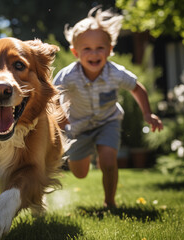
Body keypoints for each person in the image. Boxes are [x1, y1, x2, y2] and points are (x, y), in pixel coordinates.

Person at [53, 7, 163, 208]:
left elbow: (137, 89)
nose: (94, 53)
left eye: (100, 48)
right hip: (77, 126)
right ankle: (89, 154)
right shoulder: (68, 76)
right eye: (86, 49)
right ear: (76, 52)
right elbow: (52, 95)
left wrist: (148, 113)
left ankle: (109, 202)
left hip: (108, 121)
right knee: (80, 172)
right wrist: (60, 119)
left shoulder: (116, 73)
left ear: (110, 49)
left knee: (109, 161)